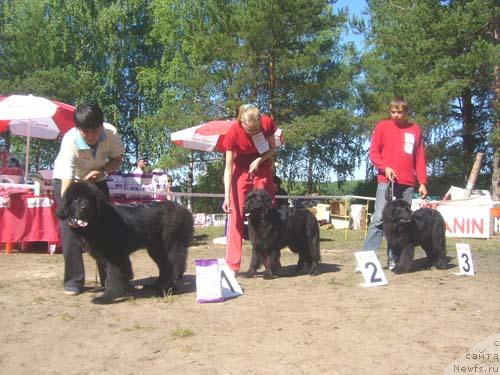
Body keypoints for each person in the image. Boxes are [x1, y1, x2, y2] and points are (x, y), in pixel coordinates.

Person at [53, 103, 124, 295]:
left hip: (97, 180)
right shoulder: (70, 141)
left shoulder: (111, 133)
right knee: (71, 231)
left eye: (95, 130)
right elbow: (68, 183)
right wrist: (70, 214)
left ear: (102, 125)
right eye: (86, 131)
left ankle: (108, 280)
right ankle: (74, 281)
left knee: (104, 229)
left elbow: (117, 158)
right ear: (78, 129)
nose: (92, 135)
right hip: (70, 182)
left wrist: (102, 171)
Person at [362, 97, 428, 270]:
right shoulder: (382, 126)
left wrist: (422, 181)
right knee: (378, 219)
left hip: (407, 183)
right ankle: (366, 259)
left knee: (403, 223)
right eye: (393, 112)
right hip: (386, 181)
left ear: (406, 112)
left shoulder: (414, 130)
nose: (396, 115)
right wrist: (385, 167)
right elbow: (374, 153)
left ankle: (394, 259)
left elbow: (419, 158)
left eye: (400, 112)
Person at [222, 104, 277, 273]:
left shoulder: (267, 123)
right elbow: (228, 168)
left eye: (256, 130)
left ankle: (270, 263)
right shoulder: (232, 132)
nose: (253, 133)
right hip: (240, 171)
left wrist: (259, 160)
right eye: (249, 130)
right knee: (236, 216)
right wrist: (226, 197)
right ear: (241, 122)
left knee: (267, 213)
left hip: (262, 166)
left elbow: (272, 149)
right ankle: (232, 264)